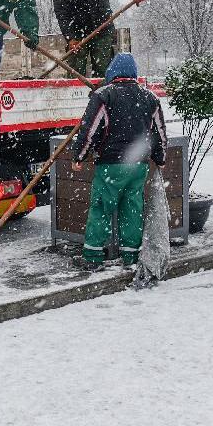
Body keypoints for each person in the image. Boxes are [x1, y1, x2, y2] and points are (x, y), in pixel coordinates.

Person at [70, 53, 167, 271]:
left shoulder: (103, 96)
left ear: (112, 72)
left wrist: (79, 155)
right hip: (138, 166)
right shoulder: (150, 97)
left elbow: (90, 130)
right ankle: (130, 257)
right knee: (132, 209)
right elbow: (159, 133)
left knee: (101, 208)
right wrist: (160, 158)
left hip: (111, 165)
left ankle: (93, 257)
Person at [51, 0, 146, 79]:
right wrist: (70, 38)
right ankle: (76, 92)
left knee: (103, 68)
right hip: (78, 33)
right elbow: (62, 15)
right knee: (76, 70)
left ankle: (102, 94)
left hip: (102, 28)